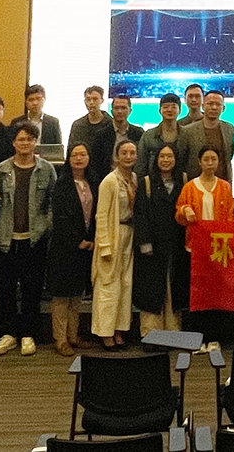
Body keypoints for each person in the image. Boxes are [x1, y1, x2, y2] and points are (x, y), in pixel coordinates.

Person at [0, 122, 57, 356]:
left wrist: (45, 225)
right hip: (5, 240)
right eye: (21, 139)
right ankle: (8, 334)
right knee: (5, 288)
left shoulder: (46, 169)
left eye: (29, 139)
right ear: (13, 142)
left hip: (34, 239)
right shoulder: (1, 170)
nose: (25, 143)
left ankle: (28, 334)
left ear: (36, 142)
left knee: (32, 288)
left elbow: (53, 201)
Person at [175, 146, 234, 353]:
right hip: (195, 249)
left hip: (218, 250)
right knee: (196, 295)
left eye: (213, 159)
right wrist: (185, 210)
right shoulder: (190, 187)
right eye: (206, 159)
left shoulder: (225, 187)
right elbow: (178, 214)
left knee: (216, 295)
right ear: (199, 162)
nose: (210, 163)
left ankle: (214, 338)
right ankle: (197, 338)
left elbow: (229, 216)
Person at [133, 144, 188, 339]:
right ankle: (151, 335)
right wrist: (144, 243)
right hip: (152, 247)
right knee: (152, 290)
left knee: (173, 288)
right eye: (162, 156)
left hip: (176, 245)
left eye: (169, 156)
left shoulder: (184, 180)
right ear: (156, 160)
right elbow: (140, 214)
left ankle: (173, 334)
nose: (166, 160)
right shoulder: (147, 182)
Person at [46, 143, 95, 356]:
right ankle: (60, 339)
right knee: (61, 296)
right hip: (64, 247)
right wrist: (77, 240)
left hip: (86, 247)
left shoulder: (92, 182)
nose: (79, 158)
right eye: (75, 155)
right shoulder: (62, 184)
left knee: (76, 295)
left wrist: (90, 239)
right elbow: (60, 218)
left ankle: (73, 336)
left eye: (83, 154)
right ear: (68, 158)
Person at [93, 140, 139, 349]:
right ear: (116, 156)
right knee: (108, 285)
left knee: (125, 285)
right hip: (112, 234)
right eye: (124, 153)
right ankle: (105, 332)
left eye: (132, 153)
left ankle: (119, 329)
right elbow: (101, 215)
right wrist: (104, 245)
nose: (128, 156)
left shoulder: (134, 179)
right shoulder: (109, 181)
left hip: (129, 233)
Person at [177, 90, 234, 183]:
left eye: (218, 104)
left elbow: (229, 155)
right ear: (203, 106)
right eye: (210, 104)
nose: (214, 107)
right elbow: (182, 160)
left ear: (223, 108)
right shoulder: (187, 131)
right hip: (196, 183)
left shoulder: (229, 128)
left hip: (222, 183)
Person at [91, 95, 144, 186]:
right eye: (116, 108)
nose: (119, 111)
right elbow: (95, 164)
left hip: (133, 183)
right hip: (107, 183)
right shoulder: (101, 135)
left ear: (130, 110)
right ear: (111, 111)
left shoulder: (138, 133)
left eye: (123, 108)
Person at [137, 93, 183, 177]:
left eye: (173, 107)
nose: (169, 110)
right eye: (165, 107)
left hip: (181, 181)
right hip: (153, 181)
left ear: (179, 110)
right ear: (159, 110)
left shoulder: (186, 134)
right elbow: (141, 163)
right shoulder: (149, 135)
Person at [67, 85, 112, 159]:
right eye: (88, 99)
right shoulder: (78, 125)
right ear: (85, 101)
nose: (91, 103)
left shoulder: (110, 124)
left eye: (95, 99)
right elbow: (71, 151)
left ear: (102, 100)